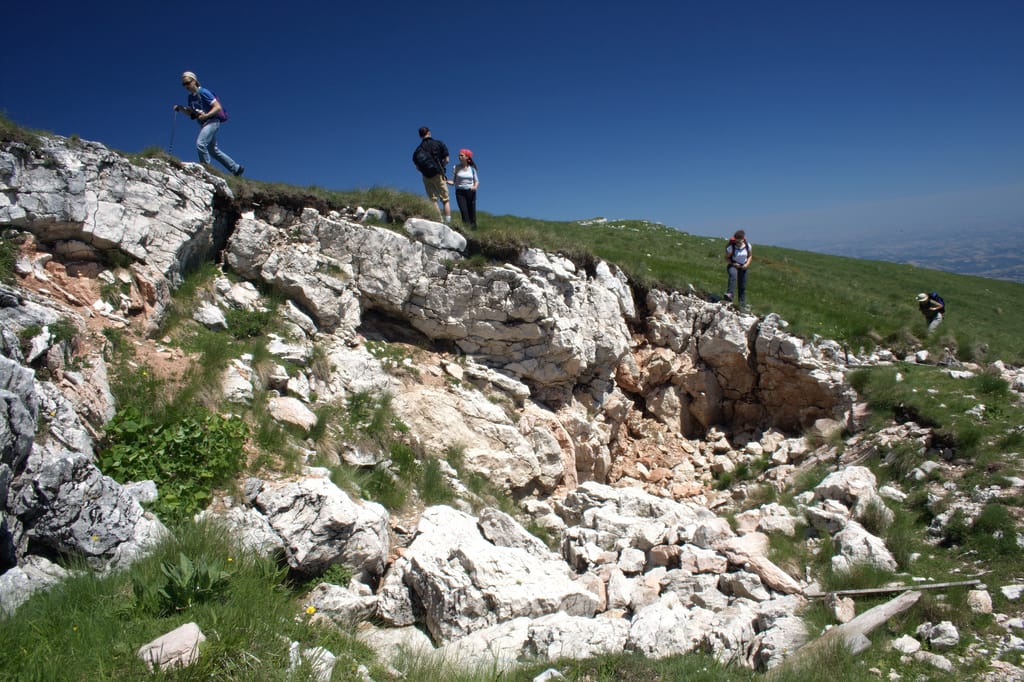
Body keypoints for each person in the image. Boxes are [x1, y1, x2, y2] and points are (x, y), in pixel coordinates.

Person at [174, 71, 244, 176]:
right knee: (213, 150)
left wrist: (206, 116)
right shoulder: (190, 98)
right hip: (204, 124)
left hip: (212, 121)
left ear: (194, 81)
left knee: (200, 143)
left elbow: (217, 107)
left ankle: (206, 170)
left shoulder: (203, 92)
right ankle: (236, 168)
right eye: (184, 84)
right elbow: (191, 114)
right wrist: (180, 108)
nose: (186, 86)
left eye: (188, 83)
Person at [412, 127, 450, 223]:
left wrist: (425, 172)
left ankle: (439, 220)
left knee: (433, 200)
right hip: (439, 174)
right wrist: (442, 167)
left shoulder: (418, 150)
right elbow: (447, 160)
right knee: (445, 199)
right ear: (429, 133)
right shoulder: (439, 143)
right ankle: (448, 221)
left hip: (426, 176)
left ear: (420, 136)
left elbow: (417, 167)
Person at [448, 148, 479, 229]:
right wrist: (447, 182)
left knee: (471, 210)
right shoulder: (456, 167)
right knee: (463, 210)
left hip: (471, 191)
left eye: (461, 155)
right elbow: (453, 181)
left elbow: (476, 181)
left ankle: (473, 228)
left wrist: (475, 187)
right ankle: (466, 228)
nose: (459, 157)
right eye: (459, 155)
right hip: (460, 192)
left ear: (467, 157)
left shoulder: (472, 169)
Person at [724, 229, 752, 307]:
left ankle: (741, 303)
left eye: (739, 242)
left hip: (743, 266)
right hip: (733, 265)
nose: (738, 243)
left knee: (742, 285)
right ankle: (730, 294)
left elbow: (750, 256)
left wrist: (747, 264)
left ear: (743, 239)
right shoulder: (731, 247)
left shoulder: (748, 246)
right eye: (736, 241)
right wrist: (733, 263)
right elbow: (726, 258)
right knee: (733, 276)